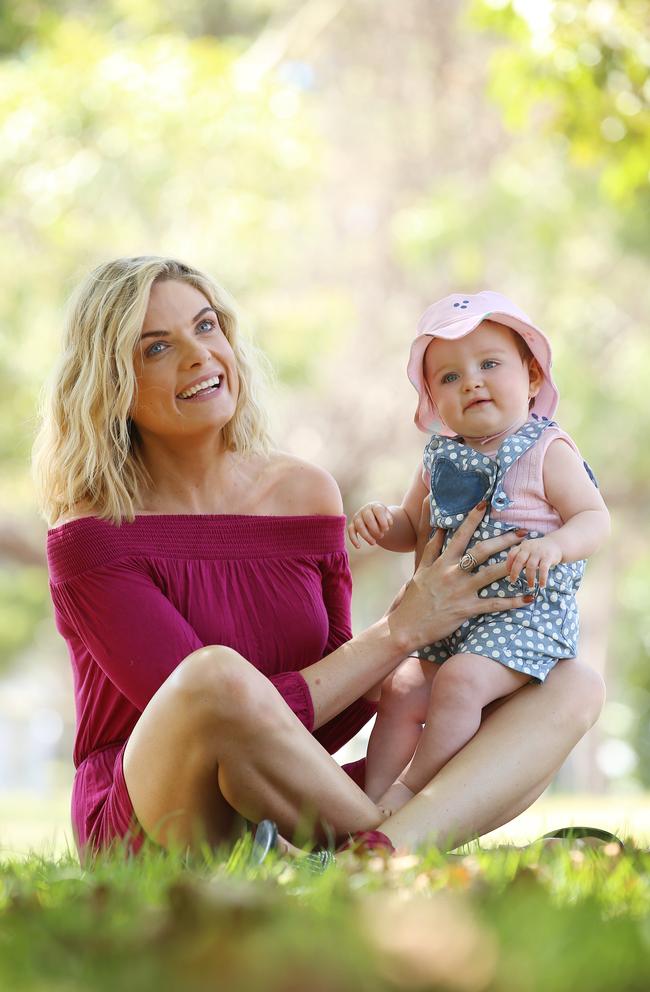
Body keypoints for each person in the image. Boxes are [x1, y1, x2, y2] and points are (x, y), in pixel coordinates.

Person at [34, 261, 605, 859]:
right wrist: (399, 631)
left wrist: (440, 662)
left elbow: (328, 713)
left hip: (278, 799)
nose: (200, 355)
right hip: (156, 812)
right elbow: (218, 722)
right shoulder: (91, 535)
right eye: (157, 348)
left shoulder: (304, 494)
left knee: (570, 685)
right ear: (110, 383)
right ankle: (393, 851)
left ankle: (373, 858)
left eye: (207, 327)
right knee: (212, 676)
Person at [348, 292, 609, 816]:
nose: (471, 381)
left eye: (490, 364)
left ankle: (414, 793)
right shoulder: (438, 459)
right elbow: (412, 528)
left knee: (462, 681)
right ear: (433, 402)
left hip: (521, 615)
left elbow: (594, 518)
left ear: (532, 378)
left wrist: (553, 545)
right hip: (447, 617)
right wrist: (383, 523)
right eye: (448, 377)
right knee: (402, 687)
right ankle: (364, 803)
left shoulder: (546, 450)